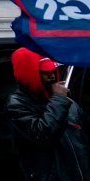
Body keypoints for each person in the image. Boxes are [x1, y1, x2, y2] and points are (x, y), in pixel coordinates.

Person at [6, 47, 90, 179]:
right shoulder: (17, 105)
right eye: (45, 72)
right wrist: (59, 99)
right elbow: (43, 134)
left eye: (52, 70)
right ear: (30, 73)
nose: (52, 76)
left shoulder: (67, 103)